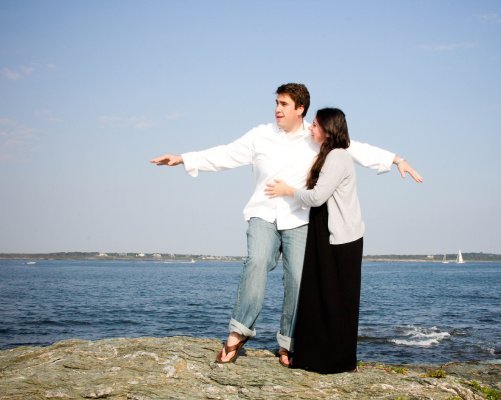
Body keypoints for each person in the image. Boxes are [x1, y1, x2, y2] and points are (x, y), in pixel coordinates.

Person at [150, 83, 422, 366]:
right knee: (256, 261)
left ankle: (289, 343)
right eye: (276, 103)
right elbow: (226, 154)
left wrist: (395, 160)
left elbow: (353, 148)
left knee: (297, 279)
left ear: (300, 109)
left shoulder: (315, 136)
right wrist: (183, 159)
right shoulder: (261, 135)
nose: (277, 109)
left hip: (299, 218)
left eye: (283, 104)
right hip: (263, 213)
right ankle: (238, 332)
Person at [266, 108, 367, 373]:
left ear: (328, 128)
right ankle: (324, 356)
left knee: (336, 299)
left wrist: (288, 191)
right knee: (324, 296)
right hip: (328, 233)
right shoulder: (331, 155)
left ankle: (335, 360)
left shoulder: (337, 156)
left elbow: (317, 197)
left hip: (340, 237)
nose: (311, 128)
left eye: (316, 125)